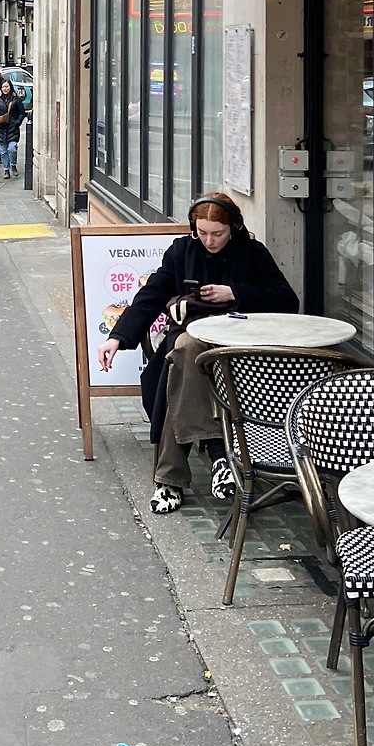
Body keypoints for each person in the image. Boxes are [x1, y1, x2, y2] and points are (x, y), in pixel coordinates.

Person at [97, 193, 298, 514]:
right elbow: (152, 294)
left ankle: (169, 480)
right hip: (189, 340)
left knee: (181, 368)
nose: (209, 241)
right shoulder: (181, 251)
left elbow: (287, 301)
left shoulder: (253, 253)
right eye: (202, 232)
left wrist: (235, 293)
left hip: (237, 349)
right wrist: (118, 337)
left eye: (217, 233)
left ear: (234, 228)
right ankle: (220, 457)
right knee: (187, 351)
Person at [0, 77, 26, 179]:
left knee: (12, 148)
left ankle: (13, 165)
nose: (5, 89)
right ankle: (6, 170)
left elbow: (22, 113)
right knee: (3, 152)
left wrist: (17, 122)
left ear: (10, 87)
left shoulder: (16, 99)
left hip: (12, 128)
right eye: (3, 87)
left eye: (6, 87)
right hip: (0, 128)